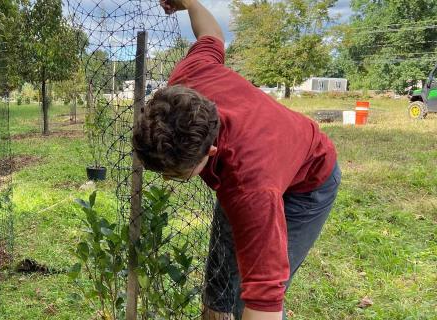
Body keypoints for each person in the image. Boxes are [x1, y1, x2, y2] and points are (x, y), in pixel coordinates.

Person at [132, 1, 341, 319]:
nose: (165, 180)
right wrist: (188, 2)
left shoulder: (250, 187)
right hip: (267, 156)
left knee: (249, 298)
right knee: (218, 289)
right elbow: (212, 33)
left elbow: (264, 300)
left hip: (309, 182)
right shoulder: (191, 74)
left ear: (211, 153)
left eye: (178, 175)